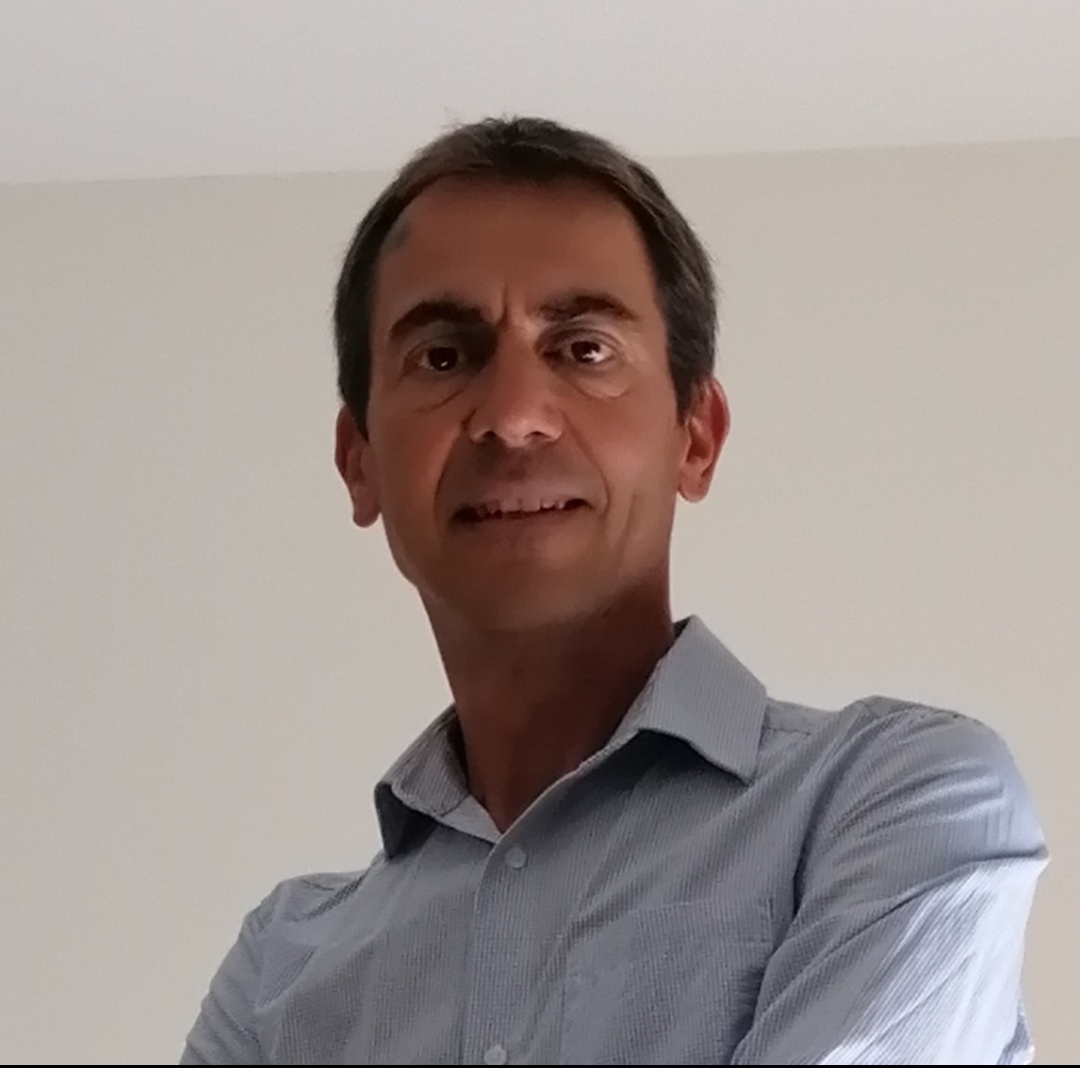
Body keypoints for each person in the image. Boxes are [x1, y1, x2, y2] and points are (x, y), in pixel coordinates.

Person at [180, 117, 1047, 1065]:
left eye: (584, 349)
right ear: (360, 463)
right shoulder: (278, 967)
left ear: (696, 436)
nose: (514, 416)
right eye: (444, 357)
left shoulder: (899, 802)